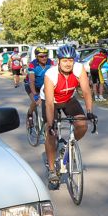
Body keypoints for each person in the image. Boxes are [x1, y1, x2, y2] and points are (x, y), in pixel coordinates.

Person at [43, 43, 95, 190]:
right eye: (64, 60)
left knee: (82, 124)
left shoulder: (79, 69)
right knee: (51, 132)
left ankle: (67, 146)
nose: (68, 63)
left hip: (68, 99)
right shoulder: (50, 75)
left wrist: (89, 111)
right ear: (58, 61)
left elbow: (85, 91)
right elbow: (49, 104)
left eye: (70, 60)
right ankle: (52, 170)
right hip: (51, 101)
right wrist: (51, 122)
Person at [27, 46, 54, 129]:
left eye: (46, 55)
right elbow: (31, 81)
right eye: (41, 56)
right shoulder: (33, 64)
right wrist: (35, 94)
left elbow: (53, 76)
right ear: (36, 57)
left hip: (44, 86)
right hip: (33, 86)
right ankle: (30, 114)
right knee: (36, 101)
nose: (44, 58)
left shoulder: (50, 62)